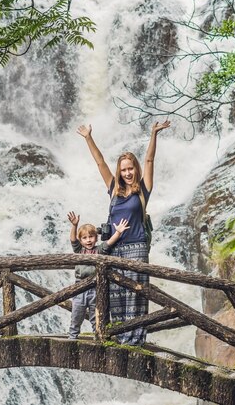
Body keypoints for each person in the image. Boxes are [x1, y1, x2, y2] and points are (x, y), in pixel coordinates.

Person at [76, 120, 171, 345]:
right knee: (116, 294)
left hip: (137, 247)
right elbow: (100, 163)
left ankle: (135, 340)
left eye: (130, 168)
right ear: (119, 172)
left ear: (135, 169)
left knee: (136, 294)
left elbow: (149, 159)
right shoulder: (113, 190)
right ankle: (118, 336)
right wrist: (89, 137)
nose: (128, 173)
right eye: (124, 169)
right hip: (115, 248)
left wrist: (154, 134)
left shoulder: (143, 190)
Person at [67, 211, 130, 340]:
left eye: (91, 237)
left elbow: (109, 243)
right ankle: (72, 337)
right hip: (79, 287)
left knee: (95, 316)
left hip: (96, 288)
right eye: (84, 238)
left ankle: (97, 336)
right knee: (76, 314)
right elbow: (73, 240)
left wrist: (118, 232)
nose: (88, 240)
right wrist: (74, 225)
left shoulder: (99, 250)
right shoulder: (79, 251)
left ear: (96, 237)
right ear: (81, 240)